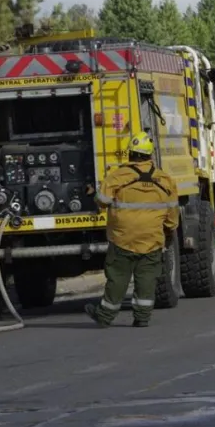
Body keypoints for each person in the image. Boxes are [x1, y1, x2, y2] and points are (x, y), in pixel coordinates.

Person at [85, 132, 179, 328]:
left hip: (123, 238)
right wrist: (168, 233)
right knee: (147, 278)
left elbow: (102, 202)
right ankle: (142, 317)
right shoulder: (165, 180)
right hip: (152, 239)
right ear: (150, 155)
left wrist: (94, 194)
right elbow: (172, 215)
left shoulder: (118, 176)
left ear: (130, 154)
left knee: (118, 276)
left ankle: (105, 316)